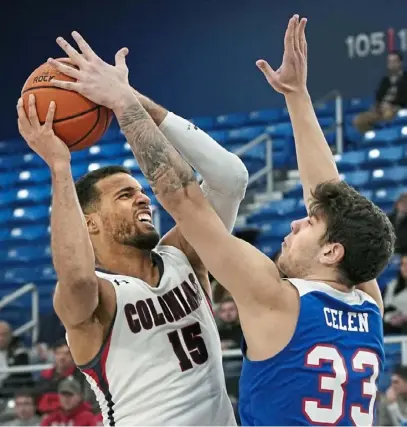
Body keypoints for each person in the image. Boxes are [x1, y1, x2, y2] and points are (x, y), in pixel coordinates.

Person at [37, 16, 396, 426]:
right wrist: (297, 96)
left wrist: (125, 102)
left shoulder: (274, 296)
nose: (296, 224)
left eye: (309, 225)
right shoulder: (367, 302)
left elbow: (183, 196)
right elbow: (329, 198)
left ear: (333, 251)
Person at [17, 37, 247, 426]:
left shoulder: (185, 256)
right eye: (125, 195)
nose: (144, 200)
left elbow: (230, 179)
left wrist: (128, 97)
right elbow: (74, 277)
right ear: (89, 222)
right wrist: (59, 166)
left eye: (142, 192)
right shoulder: (97, 296)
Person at [353, 50, 407, 133]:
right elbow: (378, 96)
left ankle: (387, 138)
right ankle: (372, 138)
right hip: (381, 109)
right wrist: (378, 106)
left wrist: (392, 106)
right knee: (359, 120)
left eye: (394, 61)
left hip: (396, 109)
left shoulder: (405, 78)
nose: (391, 64)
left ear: (400, 63)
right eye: (389, 62)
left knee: (388, 115)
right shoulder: (385, 80)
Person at [383, 255, 407, 334]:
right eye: (403, 265)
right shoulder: (391, 285)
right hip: (390, 324)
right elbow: (386, 307)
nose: (405, 268)